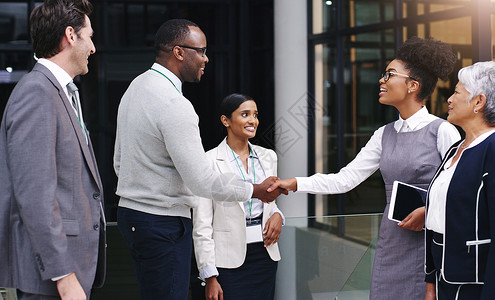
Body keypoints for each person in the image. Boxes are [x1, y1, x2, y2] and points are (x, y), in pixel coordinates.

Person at [268, 37, 461, 300]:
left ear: (413, 85)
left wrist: (428, 210)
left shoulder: (443, 131)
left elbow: (461, 190)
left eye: (389, 74)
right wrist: (295, 183)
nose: (381, 80)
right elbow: (345, 179)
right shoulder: (384, 134)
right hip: (392, 240)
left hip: (429, 243)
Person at [113, 20, 283, 300]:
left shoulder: (136, 86)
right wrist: (254, 190)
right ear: (179, 52)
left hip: (134, 217)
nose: (206, 58)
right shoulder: (175, 104)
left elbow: (119, 161)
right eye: (201, 51)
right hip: (162, 222)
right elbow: (202, 181)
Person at [0, 0, 105, 299]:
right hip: (53, 277)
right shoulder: (37, 92)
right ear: (71, 36)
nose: (94, 48)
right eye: (90, 36)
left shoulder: (59, 91)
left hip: (71, 270)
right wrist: (63, 274)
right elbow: (35, 195)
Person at [424, 61, 495, 300]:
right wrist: (430, 281)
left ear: (479, 102)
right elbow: (438, 213)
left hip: (475, 283)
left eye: (457, 92)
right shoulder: (455, 149)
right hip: (443, 277)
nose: (449, 99)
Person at [193, 94, 283, 300]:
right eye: (245, 114)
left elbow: (270, 204)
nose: (253, 121)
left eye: (255, 115)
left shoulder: (268, 157)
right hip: (227, 262)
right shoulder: (208, 161)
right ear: (226, 120)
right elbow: (202, 224)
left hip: (265, 255)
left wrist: (278, 215)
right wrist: (210, 276)